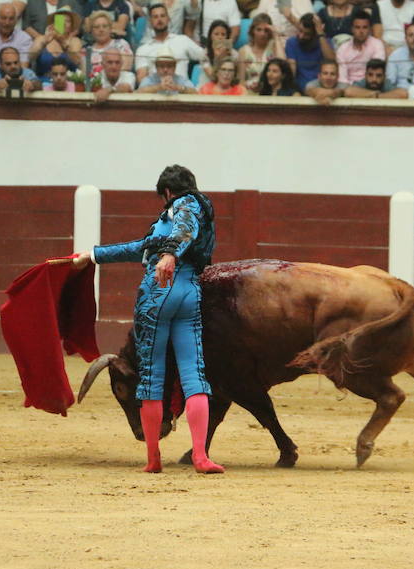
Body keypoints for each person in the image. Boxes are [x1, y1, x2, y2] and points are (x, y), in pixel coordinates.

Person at [70, 165, 225, 475]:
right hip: (189, 291)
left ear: (167, 192)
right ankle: (200, 456)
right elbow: (140, 248)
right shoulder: (184, 216)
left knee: (152, 377)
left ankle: (154, 459)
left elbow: (184, 229)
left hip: (158, 293)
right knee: (194, 374)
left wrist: (169, 256)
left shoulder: (183, 205)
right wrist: (94, 255)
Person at [135, 3, 205, 81]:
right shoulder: (143, 50)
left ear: (168, 19)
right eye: (155, 17)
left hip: (182, 90)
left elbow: (205, 56)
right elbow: (141, 80)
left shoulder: (183, 40)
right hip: (155, 91)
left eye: (162, 16)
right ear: (150, 22)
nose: (159, 20)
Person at [28, 5, 83, 78]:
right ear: (54, 23)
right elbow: (31, 56)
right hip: (43, 83)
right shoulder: (42, 38)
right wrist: (45, 41)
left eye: (68, 21)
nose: (64, 23)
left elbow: (77, 61)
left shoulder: (75, 41)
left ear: (71, 26)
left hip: (69, 83)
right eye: (61, 20)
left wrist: (62, 41)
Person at [285, 12, 335, 92]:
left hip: (321, 88)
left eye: (306, 34)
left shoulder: (325, 42)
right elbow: (292, 72)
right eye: (300, 31)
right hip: (299, 90)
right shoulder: (292, 42)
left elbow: (331, 61)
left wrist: (320, 34)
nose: (301, 36)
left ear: (315, 35)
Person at [237, 13, 284, 93]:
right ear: (252, 31)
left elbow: (283, 65)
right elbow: (240, 81)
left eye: (266, 30)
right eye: (259, 29)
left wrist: (276, 36)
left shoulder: (274, 47)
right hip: (250, 94)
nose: (262, 34)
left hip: (271, 93)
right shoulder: (244, 51)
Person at [336, 11, 385, 84]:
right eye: (357, 27)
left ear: (370, 29)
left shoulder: (377, 44)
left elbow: (376, 71)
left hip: (371, 84)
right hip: (349, 86)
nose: (361, 31)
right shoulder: (343, 49)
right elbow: (342, 78)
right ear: (352, 29)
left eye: (365, 27)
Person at [82, 10, 133, 76]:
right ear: (91, 31)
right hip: (94, 85)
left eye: (105, 26)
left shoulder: (122, 44)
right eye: (97, 27)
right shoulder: (86, 51)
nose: (101, 30)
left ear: (110, 28)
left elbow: (126, 68)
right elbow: (84, 76)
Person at [384, 22, 414, 89]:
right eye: (410, 35)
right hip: (401, 95)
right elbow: (390, 83)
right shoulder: (395, 56)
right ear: (405, 38)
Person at [198, 19, 238, 84]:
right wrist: (218, 58)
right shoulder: (204, 54)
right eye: (216, 34)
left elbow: (235, 77)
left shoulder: (235, 54)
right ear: (210, 36)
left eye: (223, 34)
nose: (220, 37)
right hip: (207, 89)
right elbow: (213, 78)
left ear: (227, 37)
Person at [344, 57, 408, 97]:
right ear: (365, 75)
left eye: (379, 75)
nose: (374, 79)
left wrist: (378, 96)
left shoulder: (386, 83)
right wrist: (372, 94)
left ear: (384, 77)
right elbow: (348, 91)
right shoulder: (363, 82)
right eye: (370, 75)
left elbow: (403, 93)